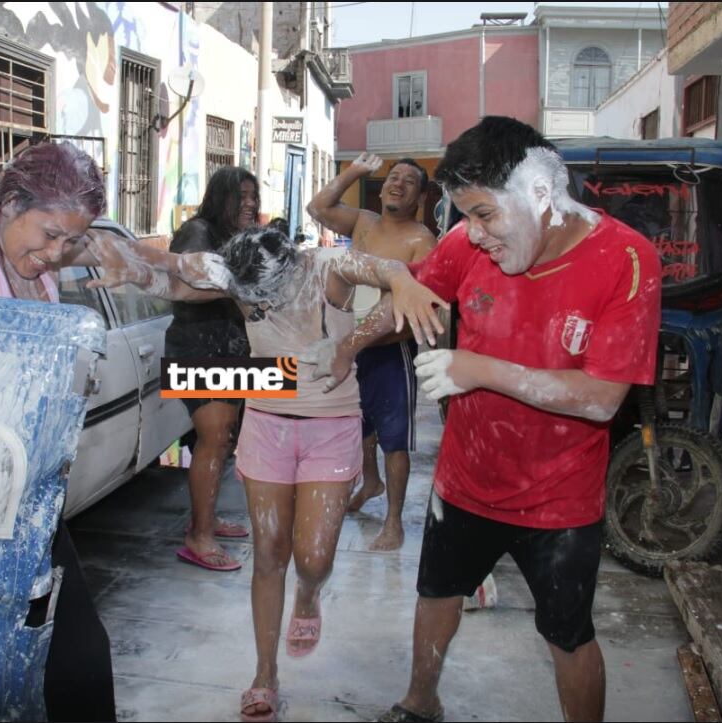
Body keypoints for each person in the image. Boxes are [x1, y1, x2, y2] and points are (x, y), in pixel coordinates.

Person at [310, 116, 661, 722]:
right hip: (465, 479)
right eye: (462, 216)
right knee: (436, 594)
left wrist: (480, 368)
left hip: (560, 500)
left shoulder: (627, 259)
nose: (471, 234)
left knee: (568, 634)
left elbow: (602, 397)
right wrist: (347, 348)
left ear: (541, 197)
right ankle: (421, 702)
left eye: (483, 214)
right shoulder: (462, 246)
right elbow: (407, 304)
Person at [93, 225, 446, 723]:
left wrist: (350, 346)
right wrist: (129, 265)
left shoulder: (328, 267)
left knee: (315, 557)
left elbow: (393, 275)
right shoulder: (241, 271)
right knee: (270, 550)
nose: (260, 307)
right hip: (268, 421)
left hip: (331, 424)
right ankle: (265, 674)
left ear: (291, 269)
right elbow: (175, 273)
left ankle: (309, 592)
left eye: (266, 299)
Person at [0, 140, 202, 722]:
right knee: (8, 676)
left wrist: (258, 278)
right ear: (9, 204)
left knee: (80, 666)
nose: (56, 254)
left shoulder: (61, 241)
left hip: (34, 507)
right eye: (48, 235)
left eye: (70, 241)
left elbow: (169, 272)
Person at [306, 153, 436, 551]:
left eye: (408, 181)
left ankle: (393, 522)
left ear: (420, 197)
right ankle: (370, 481)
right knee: (358, 425)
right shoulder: (363, 221)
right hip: (349, 343)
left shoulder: (422, 241)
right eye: (392, 177)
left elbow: (417, 305)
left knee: (394, 440)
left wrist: (362, 340)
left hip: (389, 349)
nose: (397, 184)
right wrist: (355, 171)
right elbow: (318, 208)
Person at [164, 166, 260, 572]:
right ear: (221, 195)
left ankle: (206, 518)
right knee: (215, 438)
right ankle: (198, 537)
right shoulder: (197, 231)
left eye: (254, 196)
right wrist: (237, 288)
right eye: (242, 195)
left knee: (225, 440)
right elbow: (180, 287)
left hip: (231, 348)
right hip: (197, 347)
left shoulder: (232, 237)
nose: (251, 203)